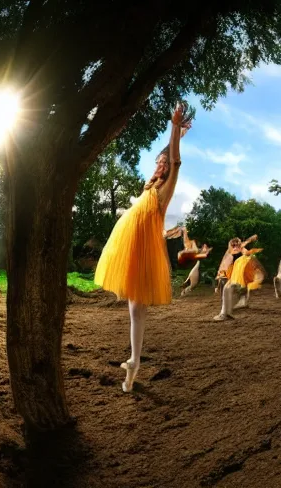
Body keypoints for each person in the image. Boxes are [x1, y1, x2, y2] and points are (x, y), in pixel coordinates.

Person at [95, 102, 193, 392]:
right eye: (158, 163)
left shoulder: (166, 188)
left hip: (144, 251)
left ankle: (135, 360)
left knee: (137, 308)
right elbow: (167, 154)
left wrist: (175, 128)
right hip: (130, 247)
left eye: (164, 164)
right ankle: (133, 364)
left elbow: (175, 160)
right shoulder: (148, 188)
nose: (161, 165)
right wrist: (174, 136)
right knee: (133, 308)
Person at [213, 235, 266, 321]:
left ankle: (225, 314)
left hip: (238, 277)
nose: (236, 246)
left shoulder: (237, 253)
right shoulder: (231, 253)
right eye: (234, 244)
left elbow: (244, 251)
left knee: (228, 291)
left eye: (237, 244)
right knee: (227, 291)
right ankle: (226, 313)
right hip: (234, 276)